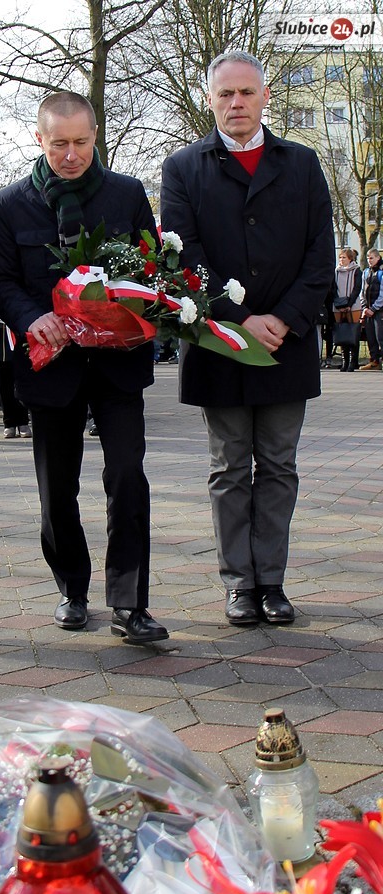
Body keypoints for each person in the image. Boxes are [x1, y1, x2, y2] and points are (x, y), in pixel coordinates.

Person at [161, 51, 334, 627]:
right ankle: (239, 584)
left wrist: (283, 318)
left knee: (279, 466)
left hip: (287, 343)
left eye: (246, 92)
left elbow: (320, 253)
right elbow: (183, 255)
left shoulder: (302, 163)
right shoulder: (183, 168)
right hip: (219, 342)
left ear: (265, 97)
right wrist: (238, 321)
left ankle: (272, 583)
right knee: (230, 466)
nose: (236, 103)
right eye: (225, 94)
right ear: (210, 99)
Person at [0, 91, 168, 644]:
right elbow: (1, 280)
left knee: (127, 478)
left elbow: (151, 268)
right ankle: (72, 589)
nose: (71, 155)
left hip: (118, 365)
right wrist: (31, 316)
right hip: (52, 366)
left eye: (82, 142)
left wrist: (127, 305)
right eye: (59, 143)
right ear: (39, 139)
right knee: (56, 488)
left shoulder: (127, 194)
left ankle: (130, 604)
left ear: (96, 137)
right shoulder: (10, 204)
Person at [334, 248, 362, 372]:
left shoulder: (356, 270)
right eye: (340, 257)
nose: (341, 260)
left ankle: (353, 362)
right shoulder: (336, 271)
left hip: (353, 305)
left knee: (353, 332)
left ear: (350, 259)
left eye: (344, 257)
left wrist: (349, 304)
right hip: (338, 306)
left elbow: (357, 288)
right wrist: (339, 304)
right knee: (342, 332)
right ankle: (344, 361)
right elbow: (333, 288)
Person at [358, 248, 383, 371]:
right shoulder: (366, 272)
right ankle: (374, 361)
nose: (369, 260)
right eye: (368, 258)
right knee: (371, 337)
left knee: (380, 337)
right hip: (368, 310)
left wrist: (374, 308)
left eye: (372, 258)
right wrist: (364, 307)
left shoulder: (381, 272)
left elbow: (382, 294)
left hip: (379, 310)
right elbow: (362, 291)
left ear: (378, 258)